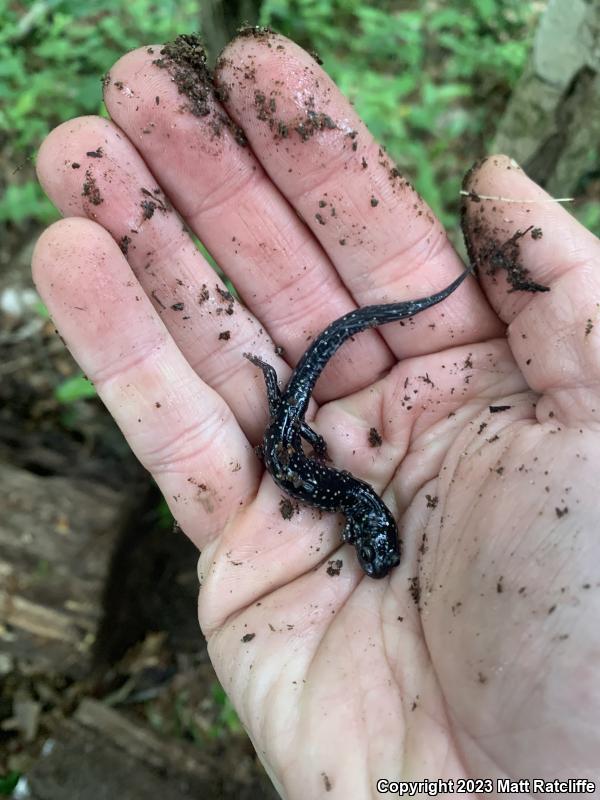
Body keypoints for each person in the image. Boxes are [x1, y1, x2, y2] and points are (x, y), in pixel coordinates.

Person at [32, 30, 599, 798]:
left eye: (370, 544)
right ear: (377, 522)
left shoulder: (349, 495)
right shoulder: (347, 492)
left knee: (306, 378)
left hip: (291, 438)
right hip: (289, 436)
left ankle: (294, 378)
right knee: (304, 371)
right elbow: (338, 489)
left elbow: (338, 491)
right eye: (373, 543)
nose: (369, 542)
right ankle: (295, 376)